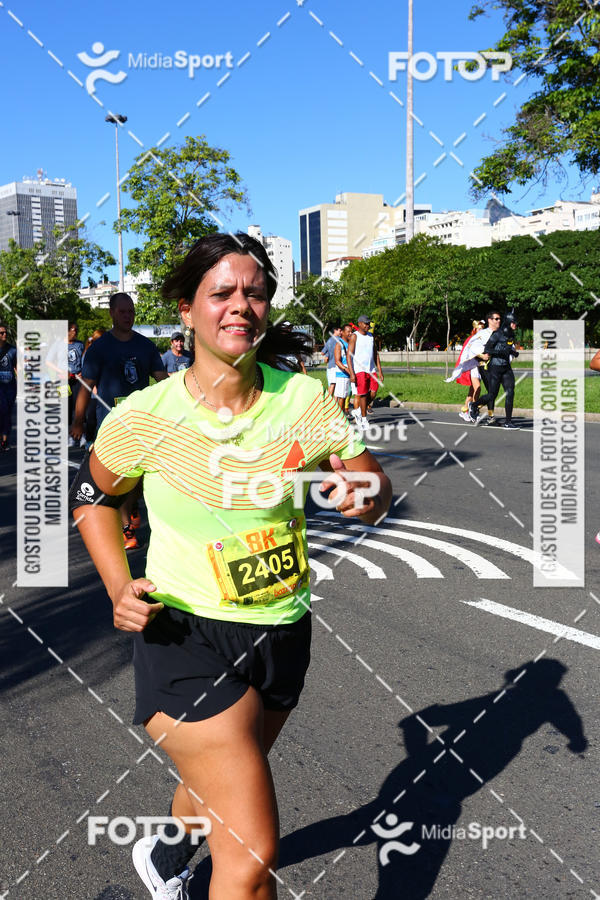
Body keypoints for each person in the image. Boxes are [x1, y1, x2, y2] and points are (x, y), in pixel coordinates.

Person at [69, 232, 392, 900]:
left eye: (255, 292)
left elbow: (375, 490)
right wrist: (116, 585)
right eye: (222, 293)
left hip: (281, 632)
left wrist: (359, 498)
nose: (241, 305)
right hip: (181, 633)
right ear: (186, 309)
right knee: (249, 858)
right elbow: (92, 498)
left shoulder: (304, 400)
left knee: (219, 777)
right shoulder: (144, 417)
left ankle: (164, 858)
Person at [70, 293, 167, 549]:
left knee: (141, 480)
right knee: (122, 477)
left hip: (144, 424)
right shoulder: (99, 350)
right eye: (123, 312)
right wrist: (78, 421)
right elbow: (85, 387)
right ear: (112, 313)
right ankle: (126, 528)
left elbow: (163, 379)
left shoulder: (146, 346)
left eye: (131, 311)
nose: (128, 316)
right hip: (112, 426)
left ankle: (132, 505)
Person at [469, 309, 519, 429]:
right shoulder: (496, 334)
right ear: (508, 322)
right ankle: (474, 405)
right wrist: (501, 351)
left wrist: (513, 352)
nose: (515, 325)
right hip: (495, 368)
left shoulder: (511, 334)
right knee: (492, 395)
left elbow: (507, 347)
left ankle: (508, 422)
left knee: (510, 392)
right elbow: (488, 350)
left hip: (506, 368)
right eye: (513, 322)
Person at [347, 316, 384, 431]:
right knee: (362, 394)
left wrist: (380, 370)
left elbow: (375, 354)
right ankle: (363, 418)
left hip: (371, 369)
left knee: (373, 392)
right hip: (359, 370)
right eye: (365, 324)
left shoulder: (370, 336)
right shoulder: (354, 336)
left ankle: (358, 411)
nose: (368, 326)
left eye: (369, 324)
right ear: (359, 324)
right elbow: (349, 355)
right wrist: (352, 373)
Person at [445, 320, 486, 421]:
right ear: (475, 329)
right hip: (473, 366)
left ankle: (465, 411)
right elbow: (469, 354)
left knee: (472, 390)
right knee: (478, 388)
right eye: (479, 328)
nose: (481, 330)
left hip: (480, 366)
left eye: (482, 328)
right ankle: (474, 411)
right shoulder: (472, 339)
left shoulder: (483, 338)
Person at [67, 323, 86, 448]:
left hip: (79, 380)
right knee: (66, 409)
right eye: (74, 330)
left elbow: (85, 359)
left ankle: (82, 436)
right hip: (65, 382)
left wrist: (82, 372)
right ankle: (70, 437)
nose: (76, 332)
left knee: (79, 408)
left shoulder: (80, 344)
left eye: (77, 330)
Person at [0, 323, 17, 452]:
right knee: (3, 411)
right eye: (1, 333)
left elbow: (17, 367)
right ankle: (3, 439)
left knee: (7, 413)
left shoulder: (12, 349)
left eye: (5, 332)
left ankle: (5, 440)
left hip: (10, 387)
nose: (4, 334)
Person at [333, 324, 353, 412]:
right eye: (348, 331)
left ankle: (342, 417)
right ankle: (340, 418)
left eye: (351, 331)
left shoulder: (350, 343)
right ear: (343, 333)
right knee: (341, 397)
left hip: (349, 374)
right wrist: (346, 369)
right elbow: (337, 361)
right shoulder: (339, 344)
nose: (350, 333)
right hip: (342, 375)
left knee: (345, 396)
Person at [322, 325, 343, 396]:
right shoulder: (340, 340)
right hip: (338, 365)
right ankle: (330, 402)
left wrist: (328, 354)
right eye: (340, 331)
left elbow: (323, 353)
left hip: (330, 365)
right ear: (335, 330)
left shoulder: (329, 340)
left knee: (331, 384)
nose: (341, 332)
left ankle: (330, 402)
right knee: (335, 385)